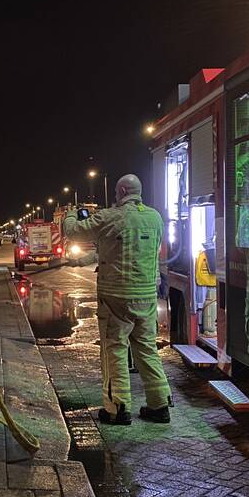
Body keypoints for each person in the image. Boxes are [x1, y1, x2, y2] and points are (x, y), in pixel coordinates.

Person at [63, 174, 173, 425]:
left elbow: (73, 232)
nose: (114, 197)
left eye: (116, 192)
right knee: (146, 349)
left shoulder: (110, 216)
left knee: (114, 350)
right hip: (146, 297)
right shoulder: (155, 218)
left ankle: (118, 408)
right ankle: (160, 404)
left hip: (116, 298)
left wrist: (71, 213)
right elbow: (112, 249)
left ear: (122, 191)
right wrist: (80, 261)